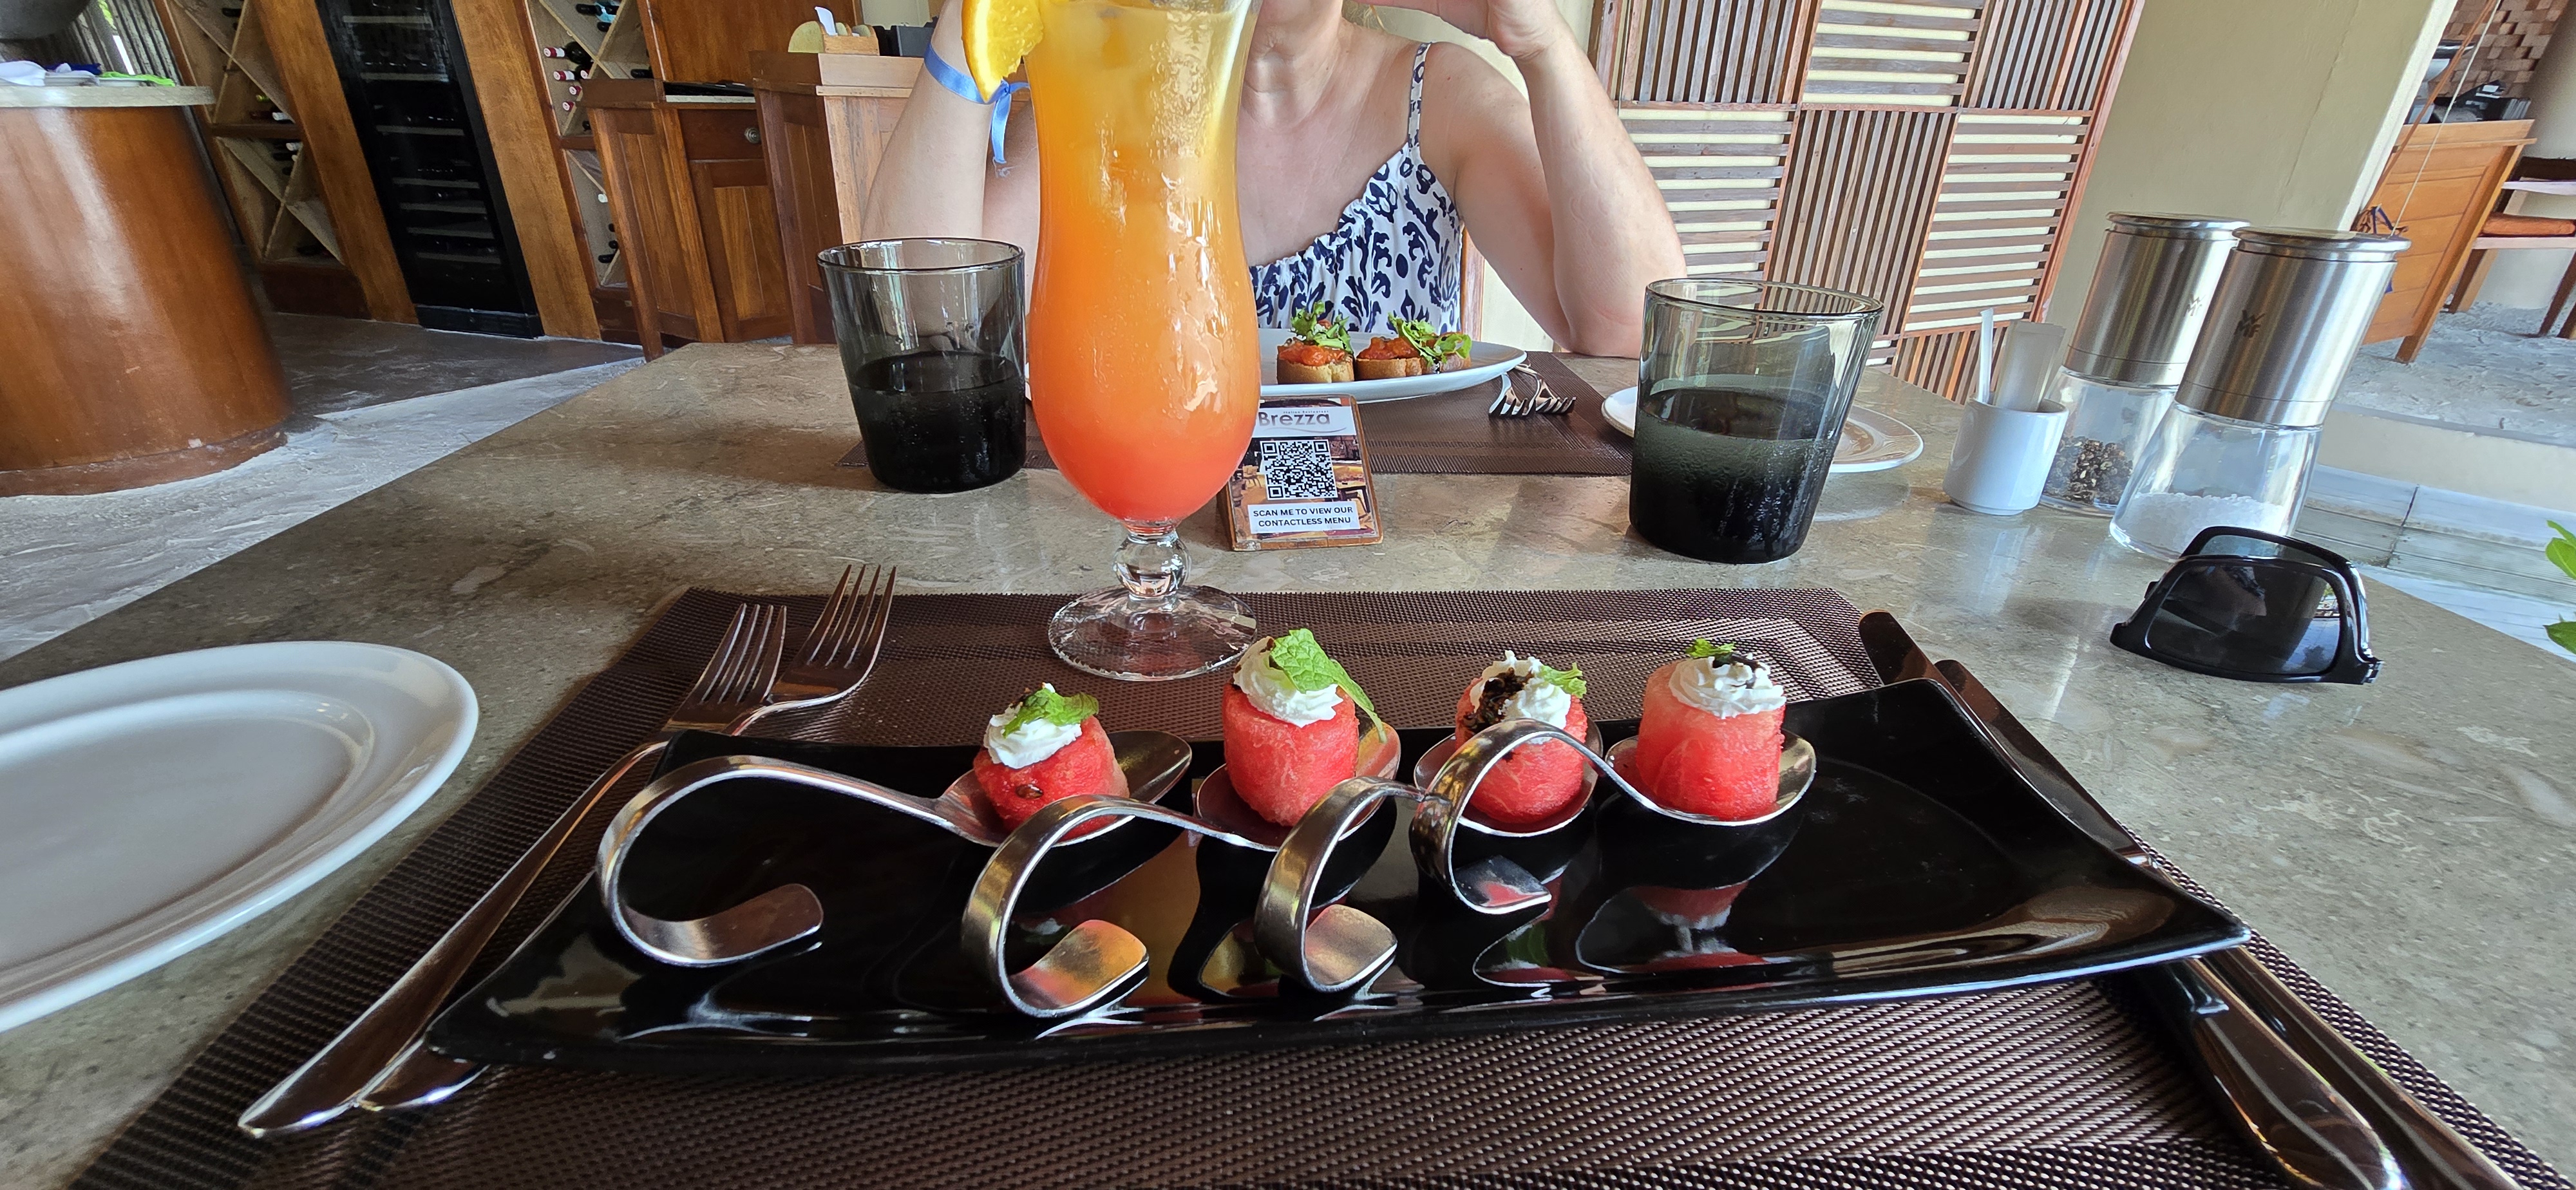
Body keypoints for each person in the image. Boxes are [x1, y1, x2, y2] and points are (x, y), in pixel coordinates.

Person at [862, 0, 1686, 356]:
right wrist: (966, 26)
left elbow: (1628, 332)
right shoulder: (1110, 95)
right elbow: (929, 318)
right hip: (1156, 547)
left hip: (1390, 555)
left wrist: (1540, 43)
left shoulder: (1436, 95)